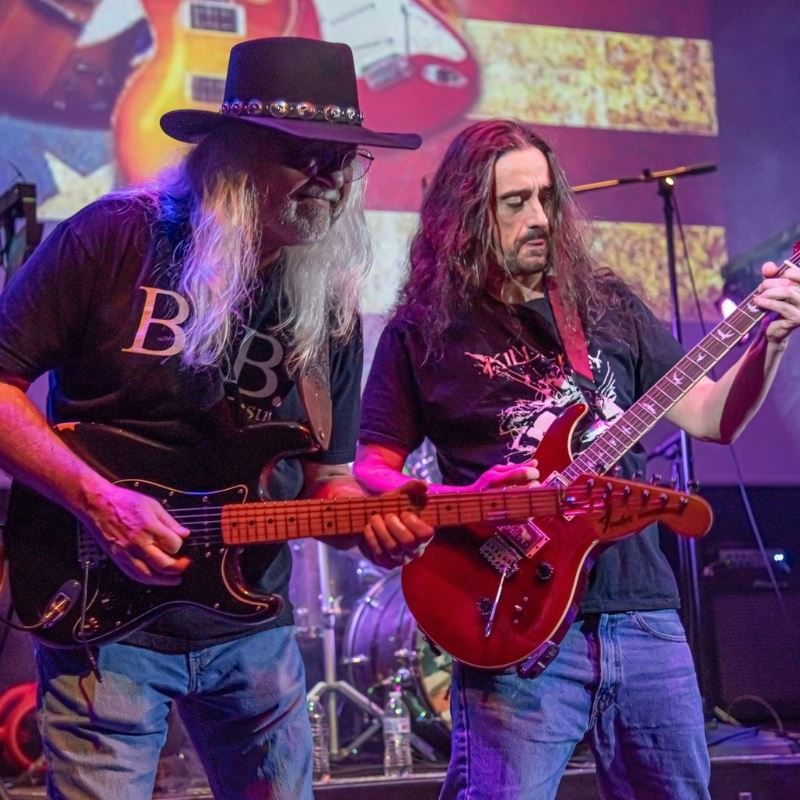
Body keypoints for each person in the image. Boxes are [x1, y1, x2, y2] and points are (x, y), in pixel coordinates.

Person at [0, 37, 420, 800]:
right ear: (230, 153)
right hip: (105, 623)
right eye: (302, 153)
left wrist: (373, 522)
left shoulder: (327, 304)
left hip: (252, 632)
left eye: (342, 157)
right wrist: (101, 502)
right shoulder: (114, 239)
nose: (329, 177)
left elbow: (327, 483)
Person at [354, 119, 800, 799]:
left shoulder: (606, 304)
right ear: (465, 216)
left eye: (546, 197)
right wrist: (469, 507)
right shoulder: (423, 332)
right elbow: (373, 471)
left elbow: (713, 416)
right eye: (515, 203)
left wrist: (770, 342)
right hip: (510, 615)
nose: (539, 218)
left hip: (641, 616)